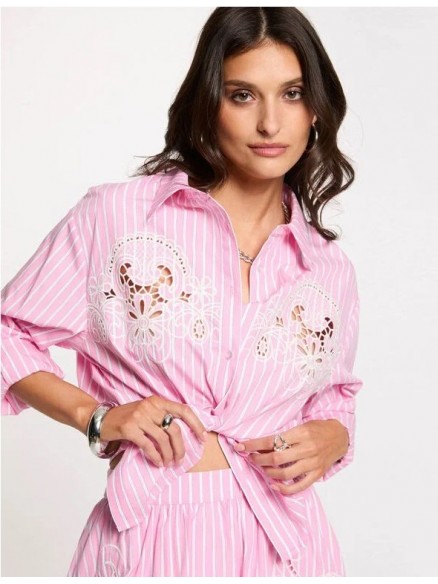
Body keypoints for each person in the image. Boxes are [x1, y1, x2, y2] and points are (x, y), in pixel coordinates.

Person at [1, 7, 363, 577]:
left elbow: (335, 397)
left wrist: (334, 436)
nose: (271, 123)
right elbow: (8, 331)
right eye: (243, 95)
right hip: (152, 536)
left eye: (292, 94)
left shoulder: (328, 267)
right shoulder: (118, 217)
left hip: (289, 546)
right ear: (209, 103)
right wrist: (96, 417)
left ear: (316, 108)